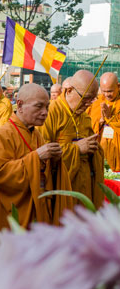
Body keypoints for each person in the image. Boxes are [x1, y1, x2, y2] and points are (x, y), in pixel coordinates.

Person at [0, 84, 72, 229]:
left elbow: (44, 172)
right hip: (15, 214)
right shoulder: (3, 135)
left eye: (47, 107)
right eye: (39, 106)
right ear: (19, 105)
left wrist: (54, 161)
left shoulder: (36, 134)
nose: (45, 112)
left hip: (39, 207)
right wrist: (36, 157)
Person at [39, 70, 104, 209]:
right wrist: (77, 149)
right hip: (61, 185)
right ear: (69, 90)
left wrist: (93, 148)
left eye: (92, 99)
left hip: (85, 185)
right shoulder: (51, 112)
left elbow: (93, 150)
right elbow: (42, 151)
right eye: (85, 98)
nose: (88, 104)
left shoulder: (85, 116)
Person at [87, 72, 120, 171]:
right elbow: (88, 129)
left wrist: (110, 118)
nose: (106, 94)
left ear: (118, 86)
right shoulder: (97, 103)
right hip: (100, 152)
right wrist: (100, 122)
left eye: (110, 91)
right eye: (103, 91)